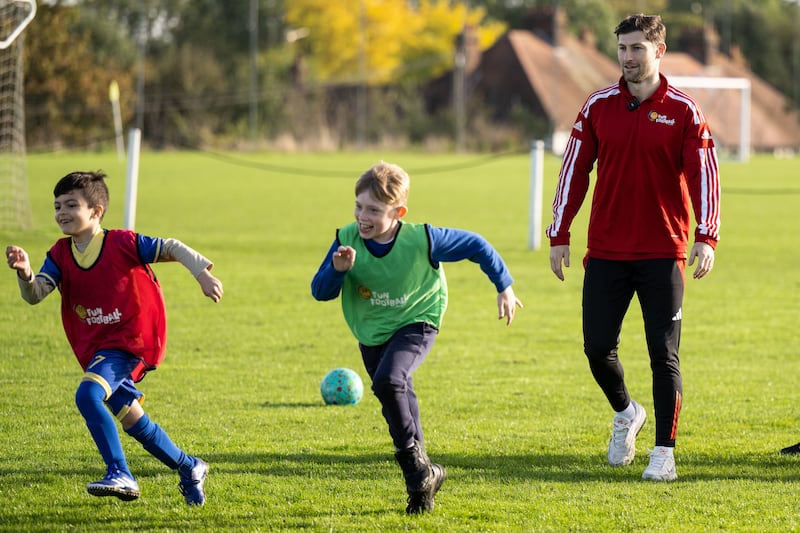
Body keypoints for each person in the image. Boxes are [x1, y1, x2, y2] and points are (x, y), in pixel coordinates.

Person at [546, 14, 721, 482]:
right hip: (605, 250)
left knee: (663, 355)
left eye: (637, 48)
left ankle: (664, 453)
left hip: (663, 250)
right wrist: (559, 233)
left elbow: (706, 176)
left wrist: (706, 236)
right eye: (623, 48)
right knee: (597, 347)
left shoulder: (684, 111)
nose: (628, 57)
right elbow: (573, 172)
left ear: (658, 51)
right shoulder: (598, 106)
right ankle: (626, 412)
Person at [311, 161, 522, 513]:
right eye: (359, 206)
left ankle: (415, 472)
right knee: (397, 398)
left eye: (374, 210)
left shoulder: (423, 239)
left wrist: (504, 285)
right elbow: (319, 291)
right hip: (372, 330)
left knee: (390, 381)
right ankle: (422, 485)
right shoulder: (346, 239)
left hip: (418, 319)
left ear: (398, 212)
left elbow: (476, 245)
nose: (363, 216)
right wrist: (337, 270)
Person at [5, 171, 224, 505]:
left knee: (88, 394)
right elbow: (35, 295)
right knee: (134, 421)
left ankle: (119, 471)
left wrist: (202, 274)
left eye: (71, 205)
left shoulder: (122, 242)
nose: (62, 212)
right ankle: (188, 466)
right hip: (96, 349)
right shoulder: (61, 254)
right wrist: (25, 273)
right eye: (57, 206)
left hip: (129, 342)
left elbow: (172, 247)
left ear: (96, 211)